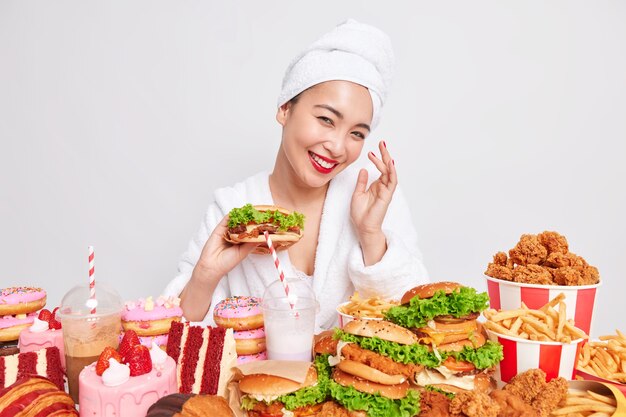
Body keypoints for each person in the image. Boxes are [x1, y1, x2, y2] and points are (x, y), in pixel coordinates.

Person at [164, 19, 429, 331]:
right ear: (285, 108)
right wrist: (204, 276)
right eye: (326, 119)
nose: (337, 146)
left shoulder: (375, 199)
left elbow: (419, 319)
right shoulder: (233, 207)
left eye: (357, 134)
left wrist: (371, 236)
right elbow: (177, 339)